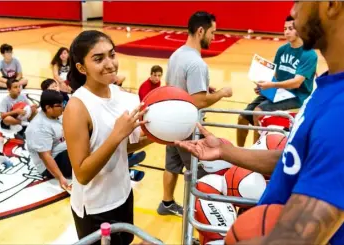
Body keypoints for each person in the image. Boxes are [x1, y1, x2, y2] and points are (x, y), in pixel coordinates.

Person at [175, 2, 344, 244]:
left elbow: (294, 239)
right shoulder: (327, 85)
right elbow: (295, 160)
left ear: (332, 5)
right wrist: (226, 151)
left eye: (299, 1)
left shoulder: (340, 113)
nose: (293, 12)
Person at [63, 30, 153, 245]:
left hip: (123, 194)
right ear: (81, 68)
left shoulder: (121, 96)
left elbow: (124, 147)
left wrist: (158, 136)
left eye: (112, 55)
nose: (110, 63)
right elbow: (83, 173)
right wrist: (117, 134)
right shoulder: (77, 108)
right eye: (98, 58)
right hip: (95, 208)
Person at [157, 11, 233, 217]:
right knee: (198, 170)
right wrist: (221, 93)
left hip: (169, 123)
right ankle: (203, 214)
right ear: (201, 31)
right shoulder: (197, 63)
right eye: (212, 32)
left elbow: (174, 86)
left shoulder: (177, 54)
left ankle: (167, 203)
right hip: (185, 126)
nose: (214, 37)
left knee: (172, 165)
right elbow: (198, 100)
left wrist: (203, 87)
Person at [237, 15, 318, 147]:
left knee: (258, 112)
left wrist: (271, 85)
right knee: (242, 117)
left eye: (290, 29)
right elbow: (275, 75)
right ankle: (239, 152)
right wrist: (264, 87)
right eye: (284, 29)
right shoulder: (282, 50)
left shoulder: (309, 54)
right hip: (278, 92)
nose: (286, 32)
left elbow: (297, 82)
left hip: (297, 96)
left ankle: (254, 153)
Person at [25, 90, 72, 191]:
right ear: (48, 108)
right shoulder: (39, 127)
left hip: (63, 151)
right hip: (51, 164)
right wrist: (60, 177)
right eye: (59, 105)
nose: (62, 107)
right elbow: (46, 156)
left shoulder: (55, 115)